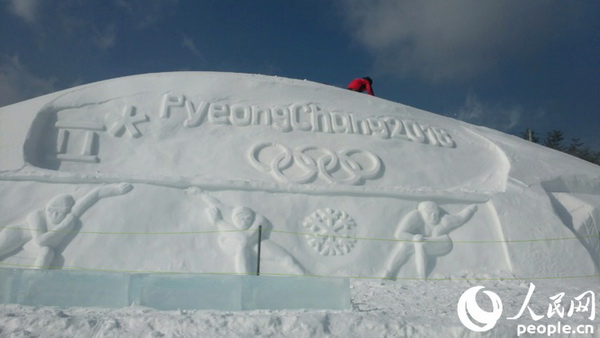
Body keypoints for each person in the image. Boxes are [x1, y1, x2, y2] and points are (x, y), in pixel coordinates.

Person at [0, 183, 133, 268]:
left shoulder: (69, 215)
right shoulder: (36, 216)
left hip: (30, 244)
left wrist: (117, 189)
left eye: (61, 212)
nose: (56, 215)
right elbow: (40, 240)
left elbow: (94, 195)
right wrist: (63, 227)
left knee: (47, 253)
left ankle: (32, 281)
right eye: (52, 211)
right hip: (15, 235)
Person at [200, 193, 304, 275]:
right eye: (240, 219)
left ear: (252, 218)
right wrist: (200, 193)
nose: (244, 221)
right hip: (248, 248)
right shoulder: (230, 215)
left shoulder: (260, 221)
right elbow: (218, 204)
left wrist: (219, 222)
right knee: (241, 248)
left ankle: (304, 278)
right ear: (234, 218)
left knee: (287, 260)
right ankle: (246, 282)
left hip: (260, 246)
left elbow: (244, 238)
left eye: (247, 219)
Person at [382, 201, 477, 279]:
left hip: (442, 243)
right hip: (423, 240)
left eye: (435, 213)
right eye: (429, 214)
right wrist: (413, 238)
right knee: (404, 245)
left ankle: (421, 277)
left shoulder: (444, 220)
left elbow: (460, 218)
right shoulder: (415, 217)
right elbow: (399, 234)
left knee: (421, 244)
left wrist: (471, 209)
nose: (433, 217)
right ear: (422, 213)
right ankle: (388, 272)